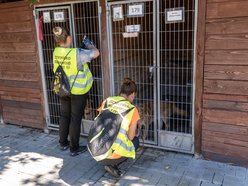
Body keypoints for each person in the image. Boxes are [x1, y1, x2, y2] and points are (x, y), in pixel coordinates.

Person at [52, 26, 99, 156]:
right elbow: (96, 53)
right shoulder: (77, 53)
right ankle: (74, 148)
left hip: (63, 89)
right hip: (78, 91)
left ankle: (63, 143)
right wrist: (89, 45)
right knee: (75, 118)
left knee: (64, 115)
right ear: (68, 38)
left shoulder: (55, 52)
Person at [87, 78, 140, 177]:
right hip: (110, 155)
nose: (133, 99)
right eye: (134, 97)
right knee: (136, 141)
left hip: (94, 149)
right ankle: (112, 164)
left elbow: (102, 123)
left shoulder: (107, 101)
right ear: (132, 94)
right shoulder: (132, 109)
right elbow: (131, 137)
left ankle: (108, 160)